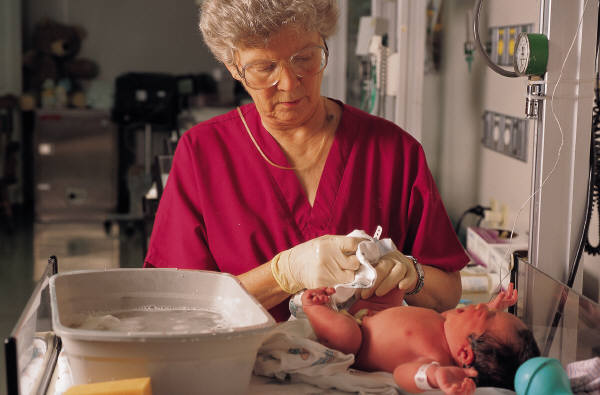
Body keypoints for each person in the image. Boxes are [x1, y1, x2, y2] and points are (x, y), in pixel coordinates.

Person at [144, 0, 470, 322]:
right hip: (245, 369)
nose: (288, 83)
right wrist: (283, 274)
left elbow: (448, 292)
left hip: (363, 372)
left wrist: (410, 274)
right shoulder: (203, 153)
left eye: (305, 58)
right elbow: (179, 305)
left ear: (324, 43)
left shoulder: (393, 151)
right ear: (233, 66)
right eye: (265, 68)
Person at [300, 283, 541, 394]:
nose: (479, 306)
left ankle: (313, 308)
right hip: (370, 312)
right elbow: (471, 326)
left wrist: (433, 377)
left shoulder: (435, 358)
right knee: (397, 285)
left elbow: (402, 374)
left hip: (356, 343)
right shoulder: (447, 324)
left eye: (485, 315)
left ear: (464, 353)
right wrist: (492, 306)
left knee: (346, 335)